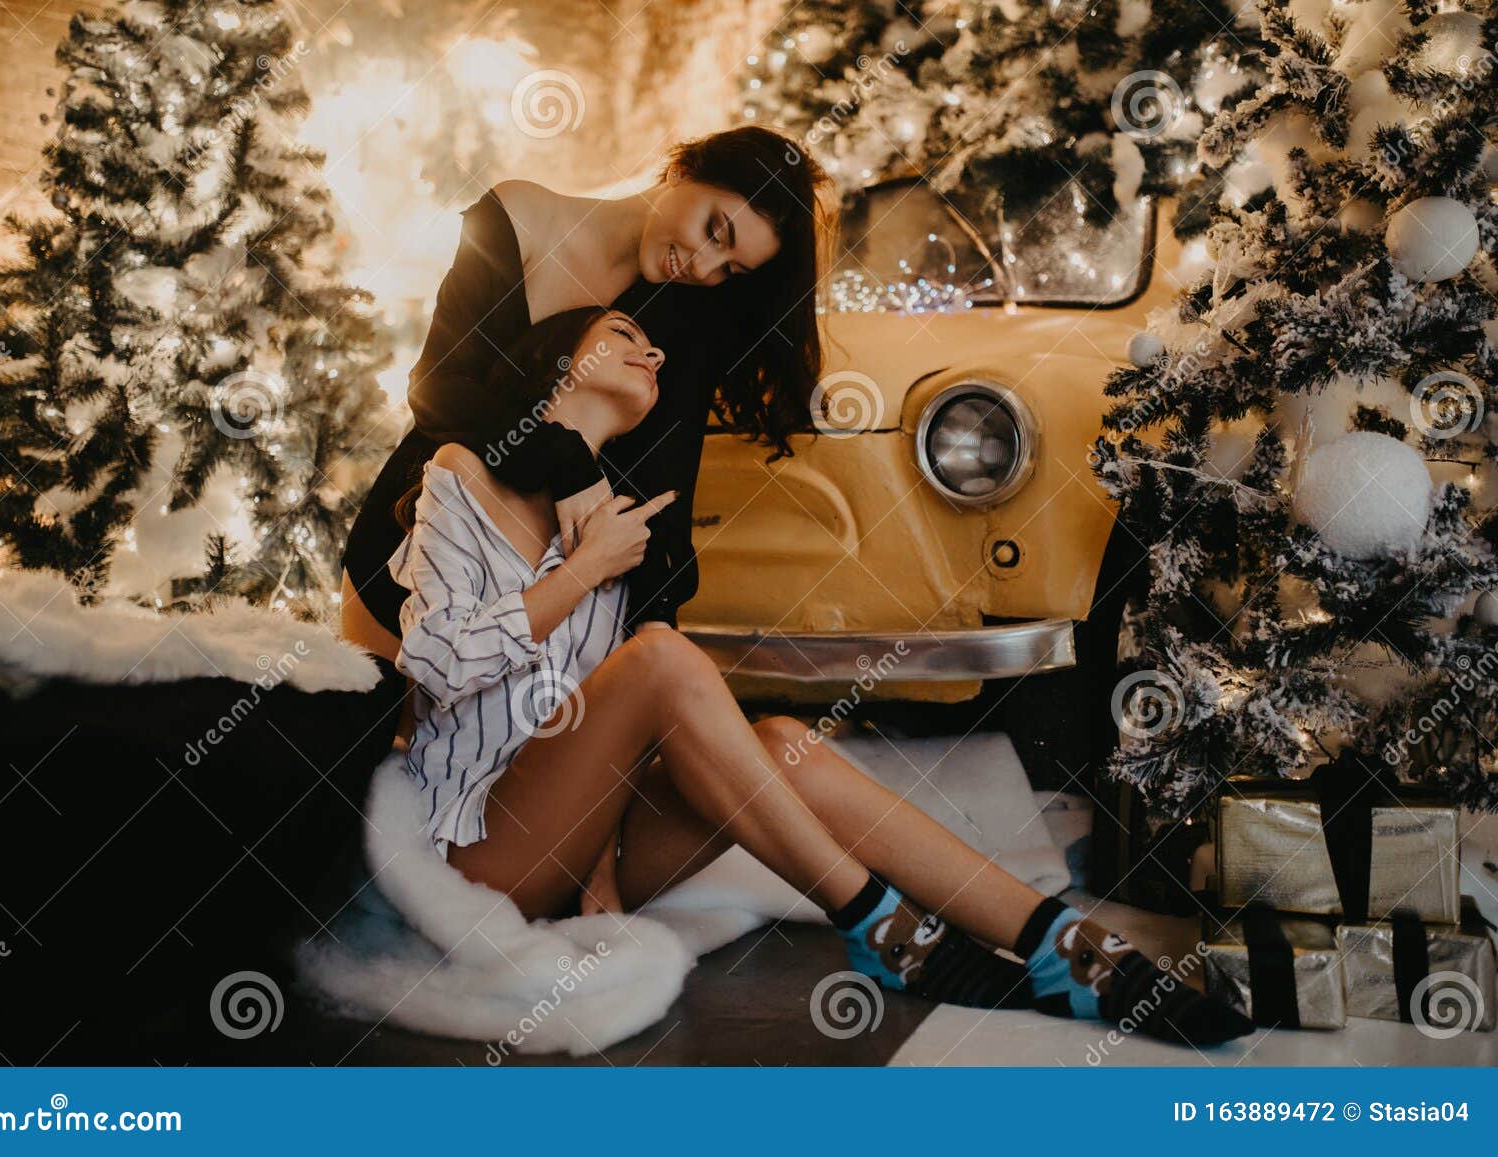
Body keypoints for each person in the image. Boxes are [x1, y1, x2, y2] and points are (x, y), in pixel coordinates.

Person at [391, 305, 1255, 1048]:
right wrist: (582, 574)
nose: (653, 353)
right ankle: (879, 922)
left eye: (654, 345)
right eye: (624, 335)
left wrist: (598, 866)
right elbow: (434, 661)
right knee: (657, 657)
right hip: (472, 852)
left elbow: (586, 727)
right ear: (556, 363)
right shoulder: (461, 476)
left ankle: (1072, 948)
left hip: (578, 847)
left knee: (784, 742)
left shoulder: (612, 515)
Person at [340, 125, 827, 662]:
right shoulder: (520, 216)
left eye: (731, 269)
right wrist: (565, 460)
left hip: (548, 602)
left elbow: (664, 486)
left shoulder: (688, 315)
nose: (704, 267)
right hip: (413, 543)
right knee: (375, 732)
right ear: (685, 169)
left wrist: (656, 632)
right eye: (715, 231)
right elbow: (437, 390)